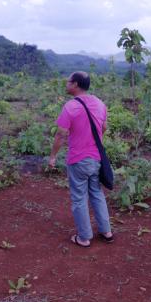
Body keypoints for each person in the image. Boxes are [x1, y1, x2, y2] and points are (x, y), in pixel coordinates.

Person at [48, 71, 114, 247]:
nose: (66, 83)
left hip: (78, 159)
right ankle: (106, 231)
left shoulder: (70, 107)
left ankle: (84, 237)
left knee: (79, 197)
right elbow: (104, 127)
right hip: (96, 159)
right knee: (97, 193)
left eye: (68, 81)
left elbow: (61, 135)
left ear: (75, 84)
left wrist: (53, 156)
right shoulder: (100, 104)